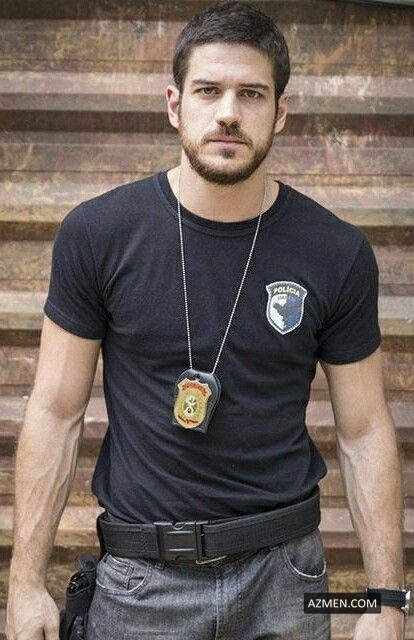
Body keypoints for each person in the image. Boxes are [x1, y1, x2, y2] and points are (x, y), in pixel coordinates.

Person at [6, 2, 407, 639]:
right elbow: (55, 411)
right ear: (175, 105)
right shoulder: (98, 234)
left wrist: (387, 602)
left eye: (251, 94)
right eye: (208, 90)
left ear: (280, 112)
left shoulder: (337, 252)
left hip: (290, 582)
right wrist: (25, 582)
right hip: (139, 584)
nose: (228, 113)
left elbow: (363, 431)